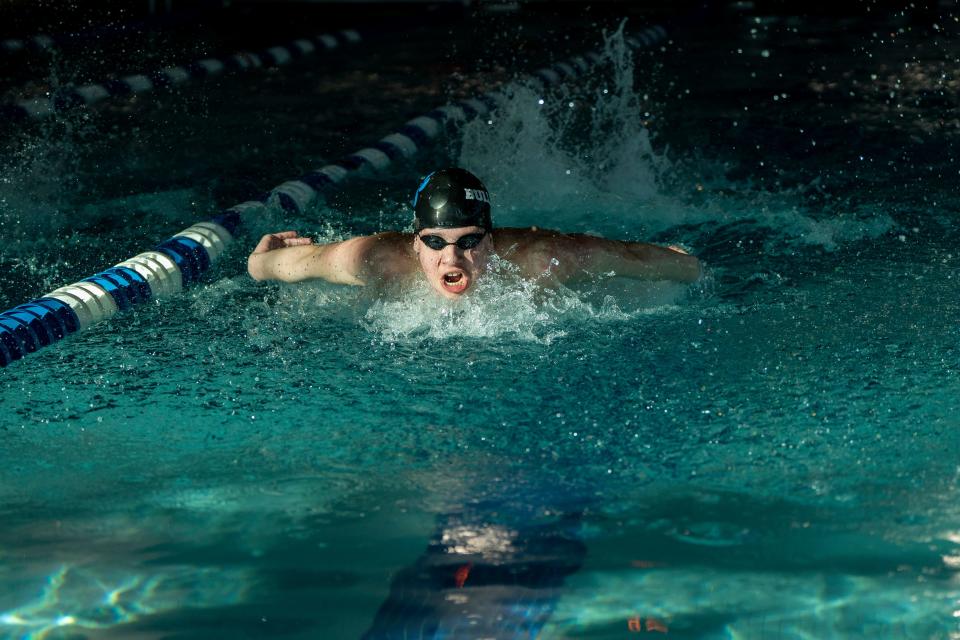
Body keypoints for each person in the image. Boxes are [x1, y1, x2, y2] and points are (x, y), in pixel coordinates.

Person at [247, 168, 700, 298]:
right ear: (415, 239)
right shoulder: (372, 258)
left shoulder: (541, 260)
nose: (452, 260)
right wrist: (259, 260)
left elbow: (633, 259)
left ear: (491, 238)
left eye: (468, 241)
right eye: (435, 242)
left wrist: (679, 263)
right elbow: (278, 264)